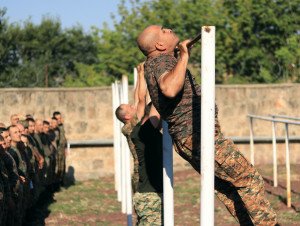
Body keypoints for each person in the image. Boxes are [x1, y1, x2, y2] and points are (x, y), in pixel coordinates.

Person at [137, 25, 278, 225]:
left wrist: (179, 56)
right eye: (163, 30)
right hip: (197, 135)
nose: (168, 29)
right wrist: (184, 56)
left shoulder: (156, 62)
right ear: (159, 45)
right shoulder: (161, 60)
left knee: (228, 188)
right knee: (248, 179)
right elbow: (169, 88)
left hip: (189, 137)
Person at [116, 62, 164, 225]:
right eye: (129, 107)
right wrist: (145, 77)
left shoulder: (134, 124)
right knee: (148, 213)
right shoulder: (132, 128)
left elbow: (138, 98)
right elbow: (141, 99)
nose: (132, 105)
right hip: (143, 175)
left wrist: (140, 73)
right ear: (128, 117)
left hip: (146, 176)